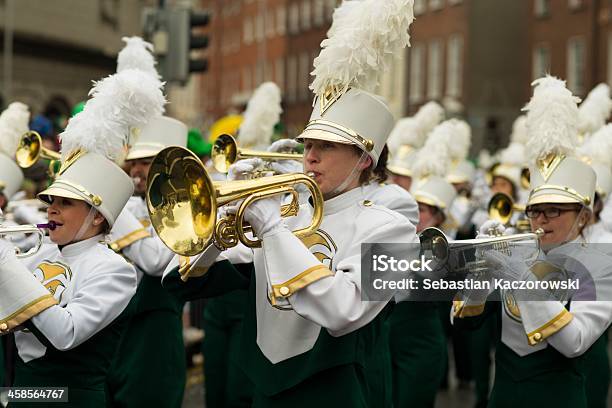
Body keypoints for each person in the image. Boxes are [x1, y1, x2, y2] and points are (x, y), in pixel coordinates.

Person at [161, 1, 417, 405]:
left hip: (339, 391)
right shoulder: (285, 211)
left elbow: (344, 311)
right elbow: (184, 281)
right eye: (308, 145)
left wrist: (274, 229)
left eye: (326, 147)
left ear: (364, 159)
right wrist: (218, 224)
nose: (310, 156)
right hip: (262, 384)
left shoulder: (394, 229)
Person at [0, 61, 164, 406]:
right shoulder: (39, 252)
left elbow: (64, 332)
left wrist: (4, 260)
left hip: (73, 399)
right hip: (27, 394)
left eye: (66, 203)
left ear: (97, 217)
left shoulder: (114, 270)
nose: (52, 209)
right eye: (51, 200)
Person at [453, 76, 612, 408]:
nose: (540, 220)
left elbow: (575, 342)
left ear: (583, 216)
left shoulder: (599, 262)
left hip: (560, 397)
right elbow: (466, 324)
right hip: (505, 396)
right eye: (535, 211)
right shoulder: (519, 248)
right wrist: (482, 269)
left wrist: (518, 274)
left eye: (554, 211)